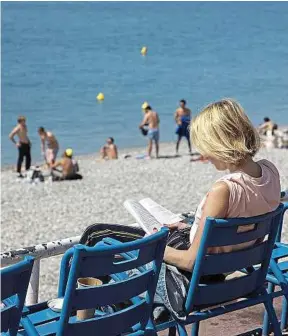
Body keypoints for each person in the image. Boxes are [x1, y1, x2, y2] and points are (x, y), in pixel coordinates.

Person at [80, 99, 281, 318]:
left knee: (97, 234)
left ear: (220, 142)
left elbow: (191, 261)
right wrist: (190, 227)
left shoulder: (224, 190)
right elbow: (242, 224)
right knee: (119, 237)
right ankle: (105, 307)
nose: (204, 154)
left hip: (194, 281)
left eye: (205, 146)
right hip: (225, 270)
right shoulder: (269, 172)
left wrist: (155, 245)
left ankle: (80, 313)